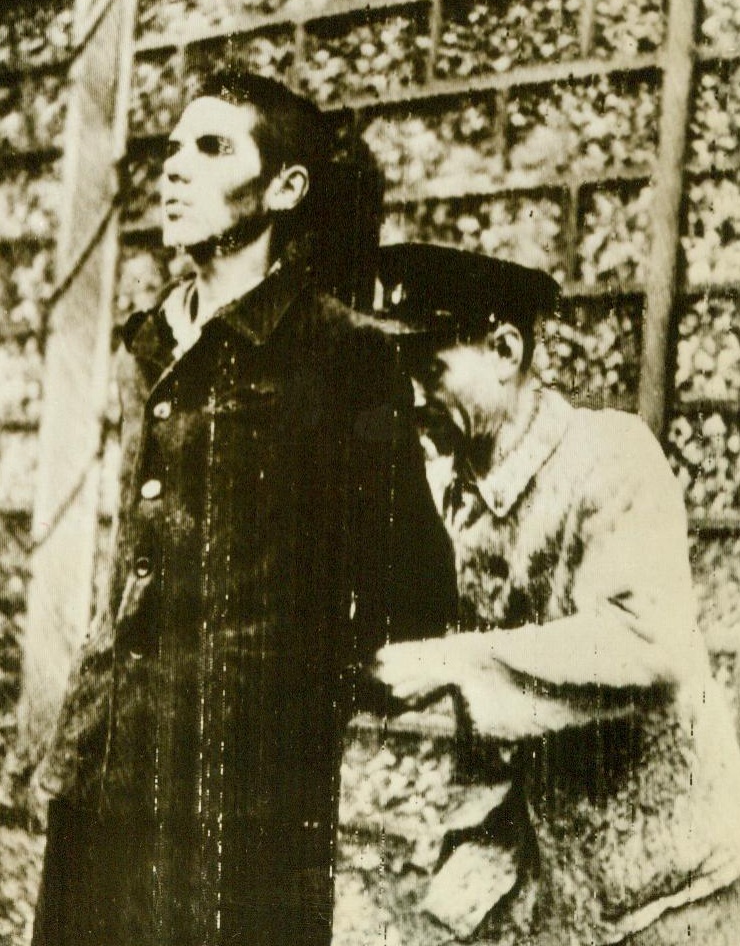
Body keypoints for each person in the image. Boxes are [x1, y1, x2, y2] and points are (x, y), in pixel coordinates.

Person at [31, 78, 456, 946]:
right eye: (175, 149)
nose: (175, 171)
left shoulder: (346, 357)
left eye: (213, 149)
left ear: (286, 190)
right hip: (109, 776)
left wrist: (286, 697)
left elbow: (414, 590)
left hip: (246, 809)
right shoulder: (150, 342)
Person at [371, 242, 740, 946]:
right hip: (555, 884)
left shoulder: (613, 456)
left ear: (506, 348)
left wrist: (456, 661)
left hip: (670, 888)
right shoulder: (455, 488)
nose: (413, 394)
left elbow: (644, 640)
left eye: (431, 366)